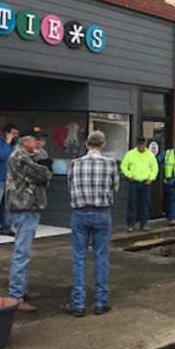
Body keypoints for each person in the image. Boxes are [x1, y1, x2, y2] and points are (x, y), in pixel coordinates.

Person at [65, 130, 120, 317]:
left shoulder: (75, 163)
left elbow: (70, 186)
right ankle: (101, 302)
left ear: (87, 144)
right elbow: (115, 188)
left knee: (79, 258)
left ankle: (78, 304)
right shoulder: (110, 163)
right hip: (102, 212)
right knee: (101, 257)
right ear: (103, 145)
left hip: (79, 212)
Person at [6, 130, 52, 312]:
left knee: (24, 252)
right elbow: (43, 175)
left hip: (27, 207)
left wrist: (41, 163)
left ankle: (22, 291)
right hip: (24, 207)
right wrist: (45, 166)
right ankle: (16, 297)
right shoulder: (21, 156)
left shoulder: (24, 155)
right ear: (25, 141)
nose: (39, 143)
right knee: (22, 253)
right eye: (35, 140)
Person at [120, 136, 158, 232]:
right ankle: (130, 224)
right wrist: (129, 175)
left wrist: (151, 178)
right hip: (134, 182)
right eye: (139, 144)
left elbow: (155, 168)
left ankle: (144, 224)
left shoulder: (150, 155)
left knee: (145, 204)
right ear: (137, 144)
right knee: (132, 204)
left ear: (145, 144)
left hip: (146, 183)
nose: (141, 146)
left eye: (142, 144)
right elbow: (123, 166)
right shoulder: (130, 154)